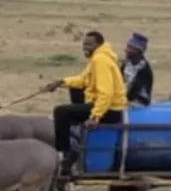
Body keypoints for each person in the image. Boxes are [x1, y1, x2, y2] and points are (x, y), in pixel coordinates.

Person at [45, 30, 127, 177]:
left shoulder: (100, 61)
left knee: (61, 112)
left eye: (89, 44)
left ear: (98, 45)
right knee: (73, 93)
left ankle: (65, 155)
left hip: (111, 110)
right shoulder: (97, 57)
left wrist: (95, 116)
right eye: (84, 44)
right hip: (104, 106)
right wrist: (61, 82)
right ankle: (74, 147)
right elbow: (83, 80)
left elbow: (106, 93)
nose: (85, 47)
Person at [121, 32, 154, 106]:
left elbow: (136, 90)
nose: (126, 50)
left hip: (138, 101)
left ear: (139, 51)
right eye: (127, 47)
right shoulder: (126, 63)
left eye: (131, 48)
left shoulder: (143, 69)